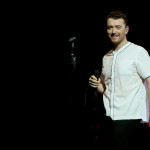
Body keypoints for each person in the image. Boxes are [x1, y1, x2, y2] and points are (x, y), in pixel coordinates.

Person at [89, 11, 150, 150]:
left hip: (130, 119)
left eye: (118, 27)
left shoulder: (138, 52)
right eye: (110, 27)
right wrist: (97, 85)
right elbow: (105, 89)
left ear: (126, 29)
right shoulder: (106, 57)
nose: (113, 31)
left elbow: (149, 82)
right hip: (108, 120)